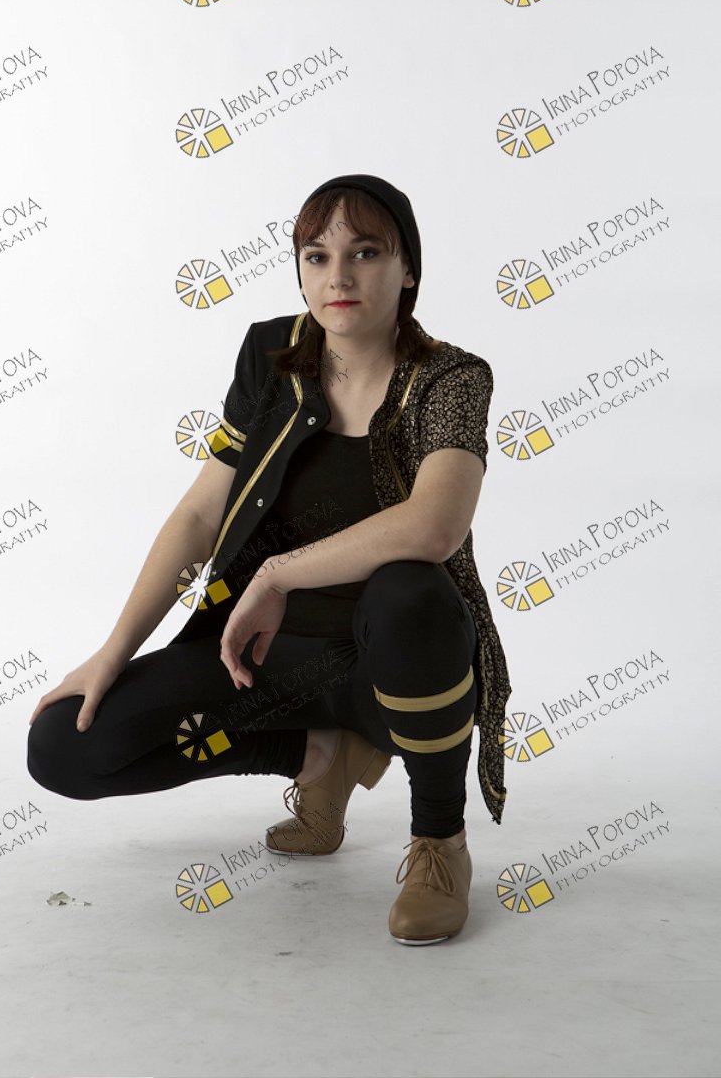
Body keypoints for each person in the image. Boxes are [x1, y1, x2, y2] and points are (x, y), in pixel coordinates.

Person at [27, 173, 512, 945]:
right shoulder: (271, 356)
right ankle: (317, 755)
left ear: (407, 270)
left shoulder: (450, 379)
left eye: (365, 252)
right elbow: (199, 514)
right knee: (64, 745)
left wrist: (279, 572)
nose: (338, 276)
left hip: (390, 669)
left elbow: (434, 526)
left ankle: (439, 842)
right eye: (316, 256)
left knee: (410, 591)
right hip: (262, 657)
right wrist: (113, 651)